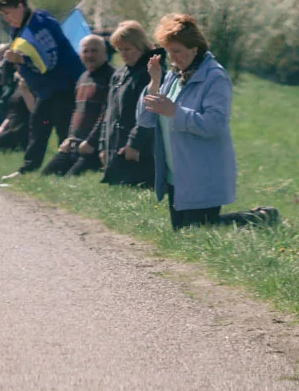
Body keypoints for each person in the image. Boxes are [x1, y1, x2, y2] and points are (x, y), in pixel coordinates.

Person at [138, 13, 276, 229]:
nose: (172, 59)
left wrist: (174, 111)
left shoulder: (215, 77)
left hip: (202, 174)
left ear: (194, 48)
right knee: (185, 235)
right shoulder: (173, 77)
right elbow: (145, 119)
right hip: (177, 175)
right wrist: (154, 82)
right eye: (169, 52)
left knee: (199, 230)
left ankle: (260, 218)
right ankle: (258, 218)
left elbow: (214, 124)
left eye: (177, 51)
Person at [0, 0, 84, 178]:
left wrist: (21, 59)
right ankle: (28, 168)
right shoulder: (19, 27)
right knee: (38, 125)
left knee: (63, 127)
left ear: (20, 7)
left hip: (63, 84)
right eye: (3, 15)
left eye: (8, 13)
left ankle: (69, 170)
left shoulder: (39, 25)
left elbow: (49, 61)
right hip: (46, 89)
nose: (6, 18)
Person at [43, 34, 112, 176]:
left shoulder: (112, 77)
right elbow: (77, 112)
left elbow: (106, 115)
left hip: (94, 147)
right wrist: (69, 138)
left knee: (70, 179)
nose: (89, 55)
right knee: (47, 175)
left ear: (105, 53)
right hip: (75, 143)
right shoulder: (83, 77)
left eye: (94, 50)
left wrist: (91, 142)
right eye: (85, 51)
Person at [98, 20, 155, 187]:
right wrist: (103, 144)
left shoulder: (150, 73)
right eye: (120, 50)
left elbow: (149, 112)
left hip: (140, 149)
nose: (124, 54)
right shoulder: (119, 74)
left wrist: (134, 144)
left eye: (128, 49)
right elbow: (109, 111)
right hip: (115, 146)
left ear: (141, 46)